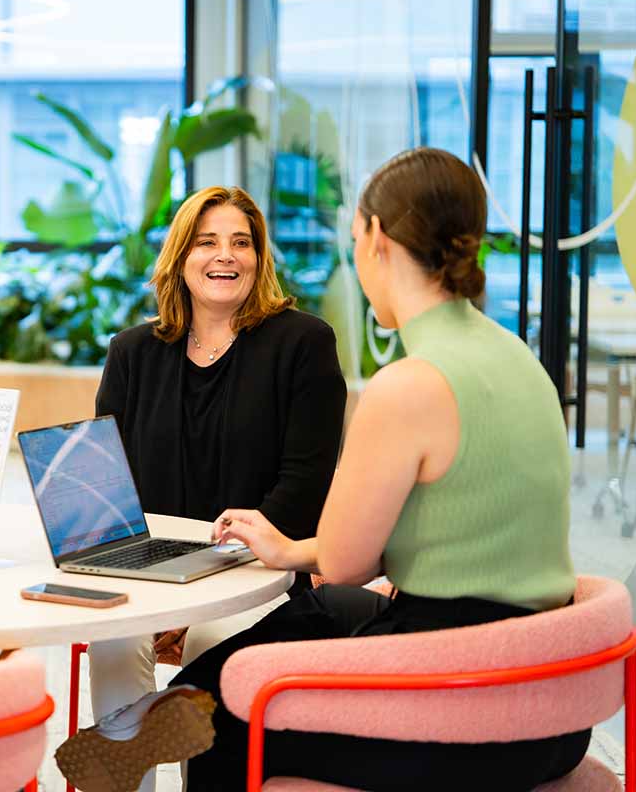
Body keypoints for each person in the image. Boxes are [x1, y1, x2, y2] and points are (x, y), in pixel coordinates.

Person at [58, 148, 587, 792]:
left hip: (467, 700)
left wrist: (293, 552)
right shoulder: (515, 357)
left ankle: (127, 748)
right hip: (550, 687)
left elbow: (345, 560)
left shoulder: (408, 385)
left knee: (222, 710)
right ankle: (138, 739)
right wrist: (288, 548)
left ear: (373, 238)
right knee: (305, 622)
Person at [87, 186, 346, 791]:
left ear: (259, 259)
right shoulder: (132, 353)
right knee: (114, 643)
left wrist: (198, 584)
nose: (224, 256)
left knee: (210, 646)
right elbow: (107, 486)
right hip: (146, 571)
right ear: (181, 257)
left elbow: (305, 484)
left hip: (258, 572)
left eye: (240, 243)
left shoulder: (303, 344)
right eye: (207, 242)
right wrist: (160, 593)